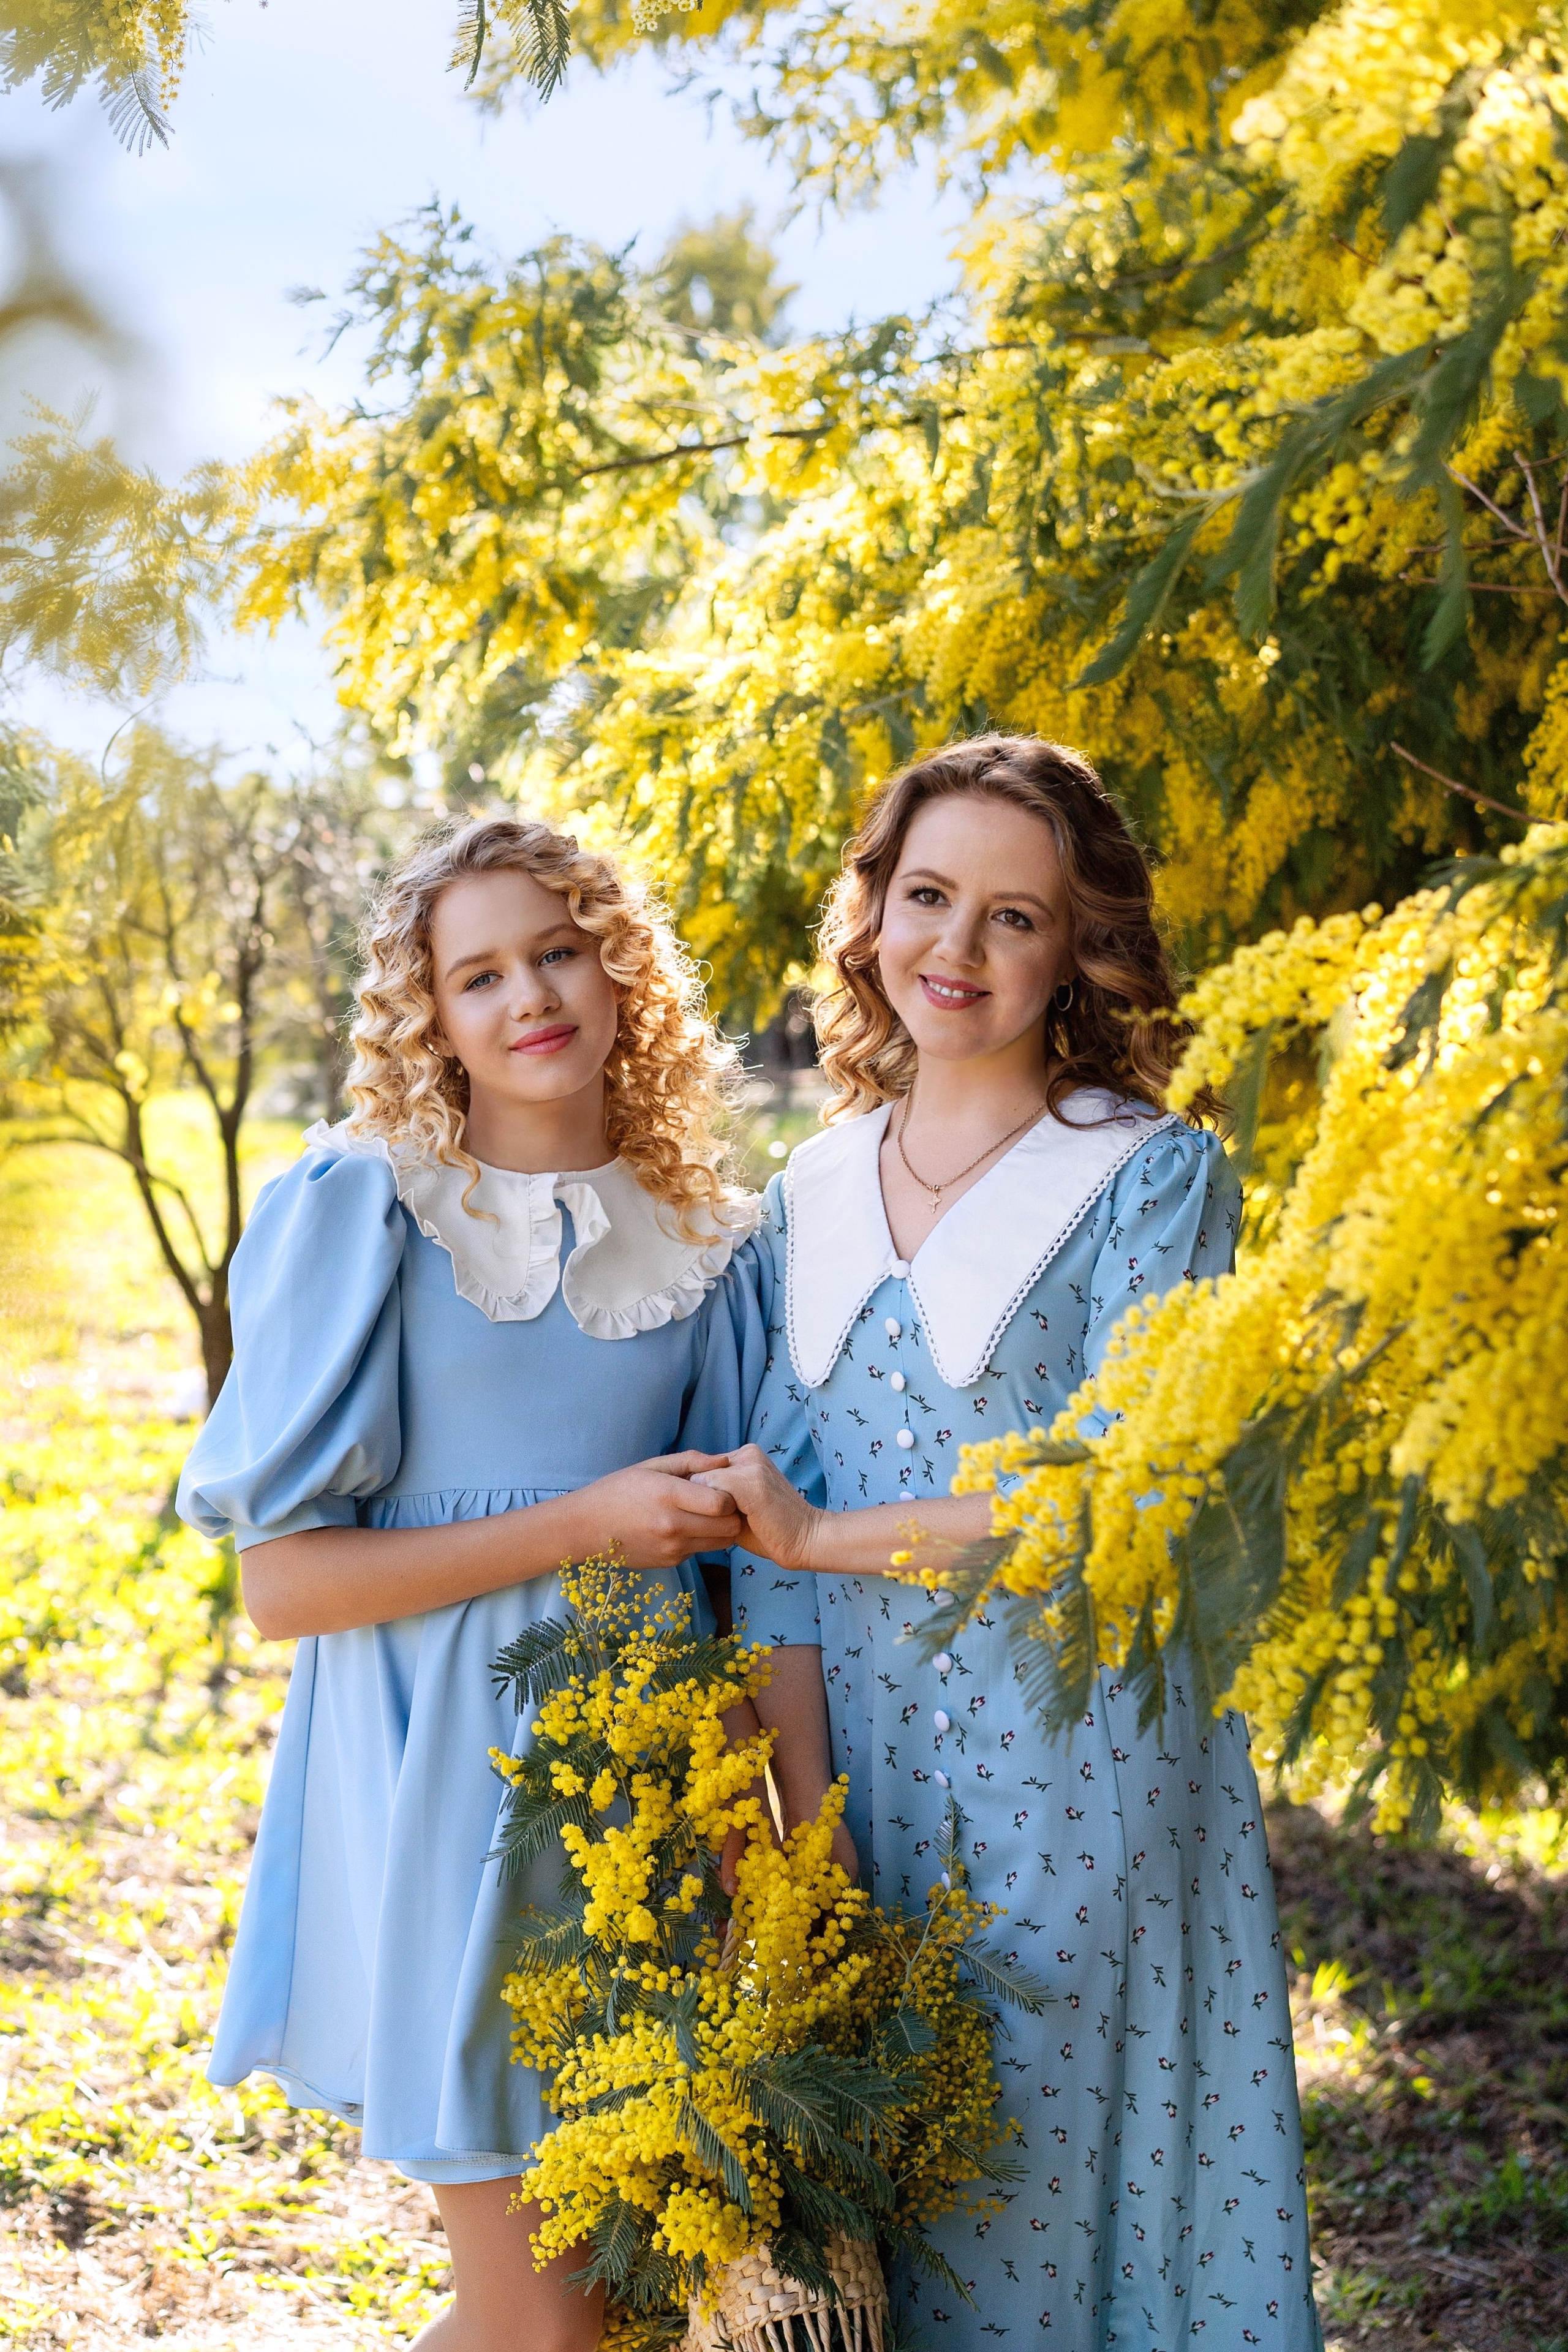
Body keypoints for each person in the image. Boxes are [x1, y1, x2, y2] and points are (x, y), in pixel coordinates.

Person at [703, 737, 1322, 2350]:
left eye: (1013, 917)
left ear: (1081, 949)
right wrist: (805, 1836)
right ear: (871, 914)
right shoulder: (809, 1193)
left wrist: (832, 1535)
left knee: (1034, 2222)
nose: (955, 952)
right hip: (871, 1791)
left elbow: (1125, 1493)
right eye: (926, 897)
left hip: (1085, 1778)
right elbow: (763, 1551)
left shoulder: (1146, 1174)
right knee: (882, 2242)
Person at [178, 815, 767, 2352]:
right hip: (447, 1805)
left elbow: (722, 1577)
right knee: (547, 2323)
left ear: (619, 966)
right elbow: (286, 1589)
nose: (530, 997)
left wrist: (737, 1846)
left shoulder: (710, 1238)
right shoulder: (369, 1204)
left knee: (614, 2312)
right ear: (428, 1018)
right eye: (479, 973)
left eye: (558, 949)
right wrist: (577, 1524)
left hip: (637, 1805)